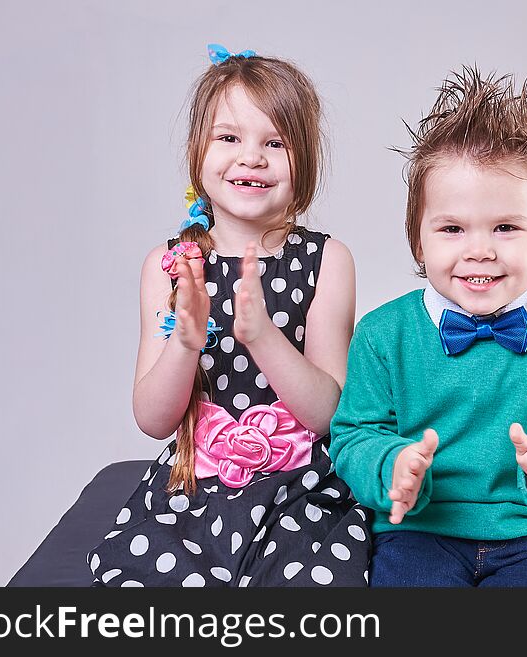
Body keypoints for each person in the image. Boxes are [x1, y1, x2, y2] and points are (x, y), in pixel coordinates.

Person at [329, 66, 527, 587]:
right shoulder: (383, 334)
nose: (480, 250)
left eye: (506, 227)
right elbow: (352, 436)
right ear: (418, 242)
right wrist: (392, 467)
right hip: (418, 533)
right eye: (452, 228)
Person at [88, 44, 370, 587]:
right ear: (199, 153)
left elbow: (330, 414)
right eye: (229, 138)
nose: (252, 158)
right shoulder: (169, 266)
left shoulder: (327, 261)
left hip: (302, 489)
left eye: (275, 143)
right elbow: (152, 420)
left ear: (304, 161)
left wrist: (262, 336)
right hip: (192, 489)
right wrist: (185, 343)